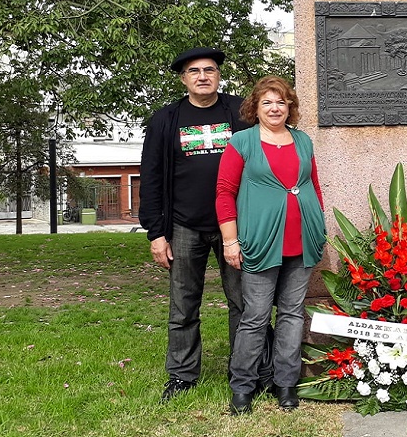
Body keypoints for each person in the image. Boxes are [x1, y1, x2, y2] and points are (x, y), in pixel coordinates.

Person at [139, 47, 251, 402]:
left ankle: (246, 371)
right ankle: (182, 375)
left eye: (210, 70)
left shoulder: (240, 112)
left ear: (219, 75)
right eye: (194, 71)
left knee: (244, 302)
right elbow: (151, 176)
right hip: (184, 225)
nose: (203, 76)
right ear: (184, 79)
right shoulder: (166, 119)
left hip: (235, 225)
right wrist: (156, 232)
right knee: (184, 304)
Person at [216, 76, 327, 415]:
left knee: (293, 315)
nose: (275, 108)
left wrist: (318, 227)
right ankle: (243, 386)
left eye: (281, 102)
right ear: (256, 107)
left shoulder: (303, 141)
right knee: (255, 316)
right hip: (260, 242)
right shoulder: (242, 143)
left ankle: (286, 384)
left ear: (289, 107)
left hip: (301, 241)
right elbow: (224, 194)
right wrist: (230, 241)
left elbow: (314, 187)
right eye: (267, 102)